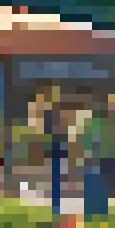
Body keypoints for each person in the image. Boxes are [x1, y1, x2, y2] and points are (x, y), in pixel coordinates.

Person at [76, 97, 115, 218]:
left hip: (96, 161)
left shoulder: (98, 124)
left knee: (97, 186)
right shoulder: (103, 124)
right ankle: (97, 213)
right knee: (96, 186)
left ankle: (96, 213)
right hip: (95, 161)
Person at [42, 91, 68, 219]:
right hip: (56, 150)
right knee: (56, 177)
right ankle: (56, 206)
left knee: (57, 177)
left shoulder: (52, 115)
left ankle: (56, 206)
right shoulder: (54, 115)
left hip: (57, 150)